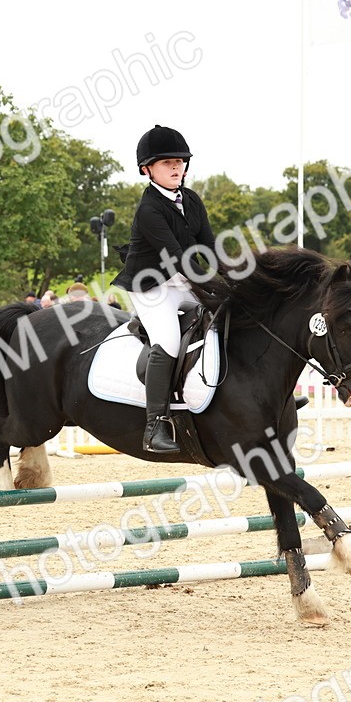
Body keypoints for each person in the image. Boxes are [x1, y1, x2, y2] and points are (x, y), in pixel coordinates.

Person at [111, 124, 216, 454]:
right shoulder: (149, 210)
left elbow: (209, 248)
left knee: (231, 314)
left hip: (183, 282)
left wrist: (233, 283)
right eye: (167, 163)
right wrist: (210, 285)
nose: (176, 167)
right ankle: (155, 425)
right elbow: (176, 257)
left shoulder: (192, 200)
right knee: (168, 339)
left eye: (180, 161)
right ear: (147, 169)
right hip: (151, 287)